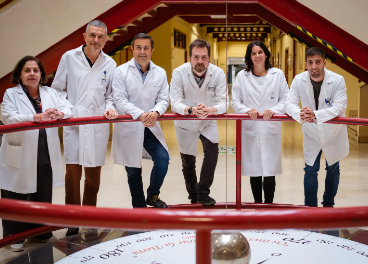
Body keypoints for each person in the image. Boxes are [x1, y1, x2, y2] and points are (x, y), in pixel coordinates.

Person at [51, 20, 118, 236]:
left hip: (97, 124)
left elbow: (111, 96)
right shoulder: (69, 58)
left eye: (100, 36)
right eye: (92, 35)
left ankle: (89, 217)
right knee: (72, 174)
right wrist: (68, 110)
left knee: (93, 176)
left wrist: (109, 109)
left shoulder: (110, 64)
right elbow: (57, 90)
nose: (96, 40)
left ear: (106, 39)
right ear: (84, 36)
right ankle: (72, 219)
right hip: (75, 123)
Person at [0, 56, 71, 251]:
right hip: (19, 153)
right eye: (27, 70)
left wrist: (60, 113)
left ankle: (40, 233)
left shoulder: (50, 93)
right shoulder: (11, 94)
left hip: (44, 152)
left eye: (36, 70)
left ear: (41, 74)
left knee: (42, 193)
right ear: (20, 75)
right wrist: (36, 117)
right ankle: (13, 238)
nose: (32, 73)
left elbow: (68, 109)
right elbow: (8, 117)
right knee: (15, 196)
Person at [285, 47, 349, 207]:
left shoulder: (338, 80)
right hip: (311, 133)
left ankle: (328, 205)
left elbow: (339, 107)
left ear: (325, 63)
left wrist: (315, 115)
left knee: (333, 169)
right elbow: (289, 103)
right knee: (310, 170)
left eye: (318, 62)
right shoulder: (299, 80)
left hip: (332, 132)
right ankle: (311, 208)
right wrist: (301, 113)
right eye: (310, 62)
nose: (314, 66)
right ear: (305, 64)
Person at [111, 33, 170, 208]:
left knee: (163, 159)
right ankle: (139, 209)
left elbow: (163, 99)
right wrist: (140, 114)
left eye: (146, 48)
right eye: (138, 47)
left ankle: (152, 194)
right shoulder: (121, 71)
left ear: (152, 50)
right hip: (130, 126)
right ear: (132, 49)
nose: (142, 52)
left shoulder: (160, 72)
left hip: (150, 126)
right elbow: (119, 100)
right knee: (133, 171)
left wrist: (155, 112)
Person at [170, 39, 228, 205]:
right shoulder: (178, 73)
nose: (200, 61)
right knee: (188, 162)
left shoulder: (217, 73)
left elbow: (224, 102)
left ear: (209, 58)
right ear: (189, 58)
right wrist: (190, 109)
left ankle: (203, 192)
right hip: (186, 121)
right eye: (196, 57)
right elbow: (174, 102)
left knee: (212, 153)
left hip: (208, 120)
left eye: (203, 57)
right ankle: (193, 196)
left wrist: (211, 110)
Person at [231, 41, 289, 204]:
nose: (257, 56)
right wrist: (247, 110)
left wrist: (275, 110)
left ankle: (269, 206)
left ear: (266, 54)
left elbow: (286, 98)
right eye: (253, 53)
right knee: (254, 170)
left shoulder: (277, 74)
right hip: (251, 127)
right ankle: (257, 205)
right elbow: (235, 101)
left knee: (270, 170)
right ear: (250, 57)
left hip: (270, 128)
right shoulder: (243, 76)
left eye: (260, 52)